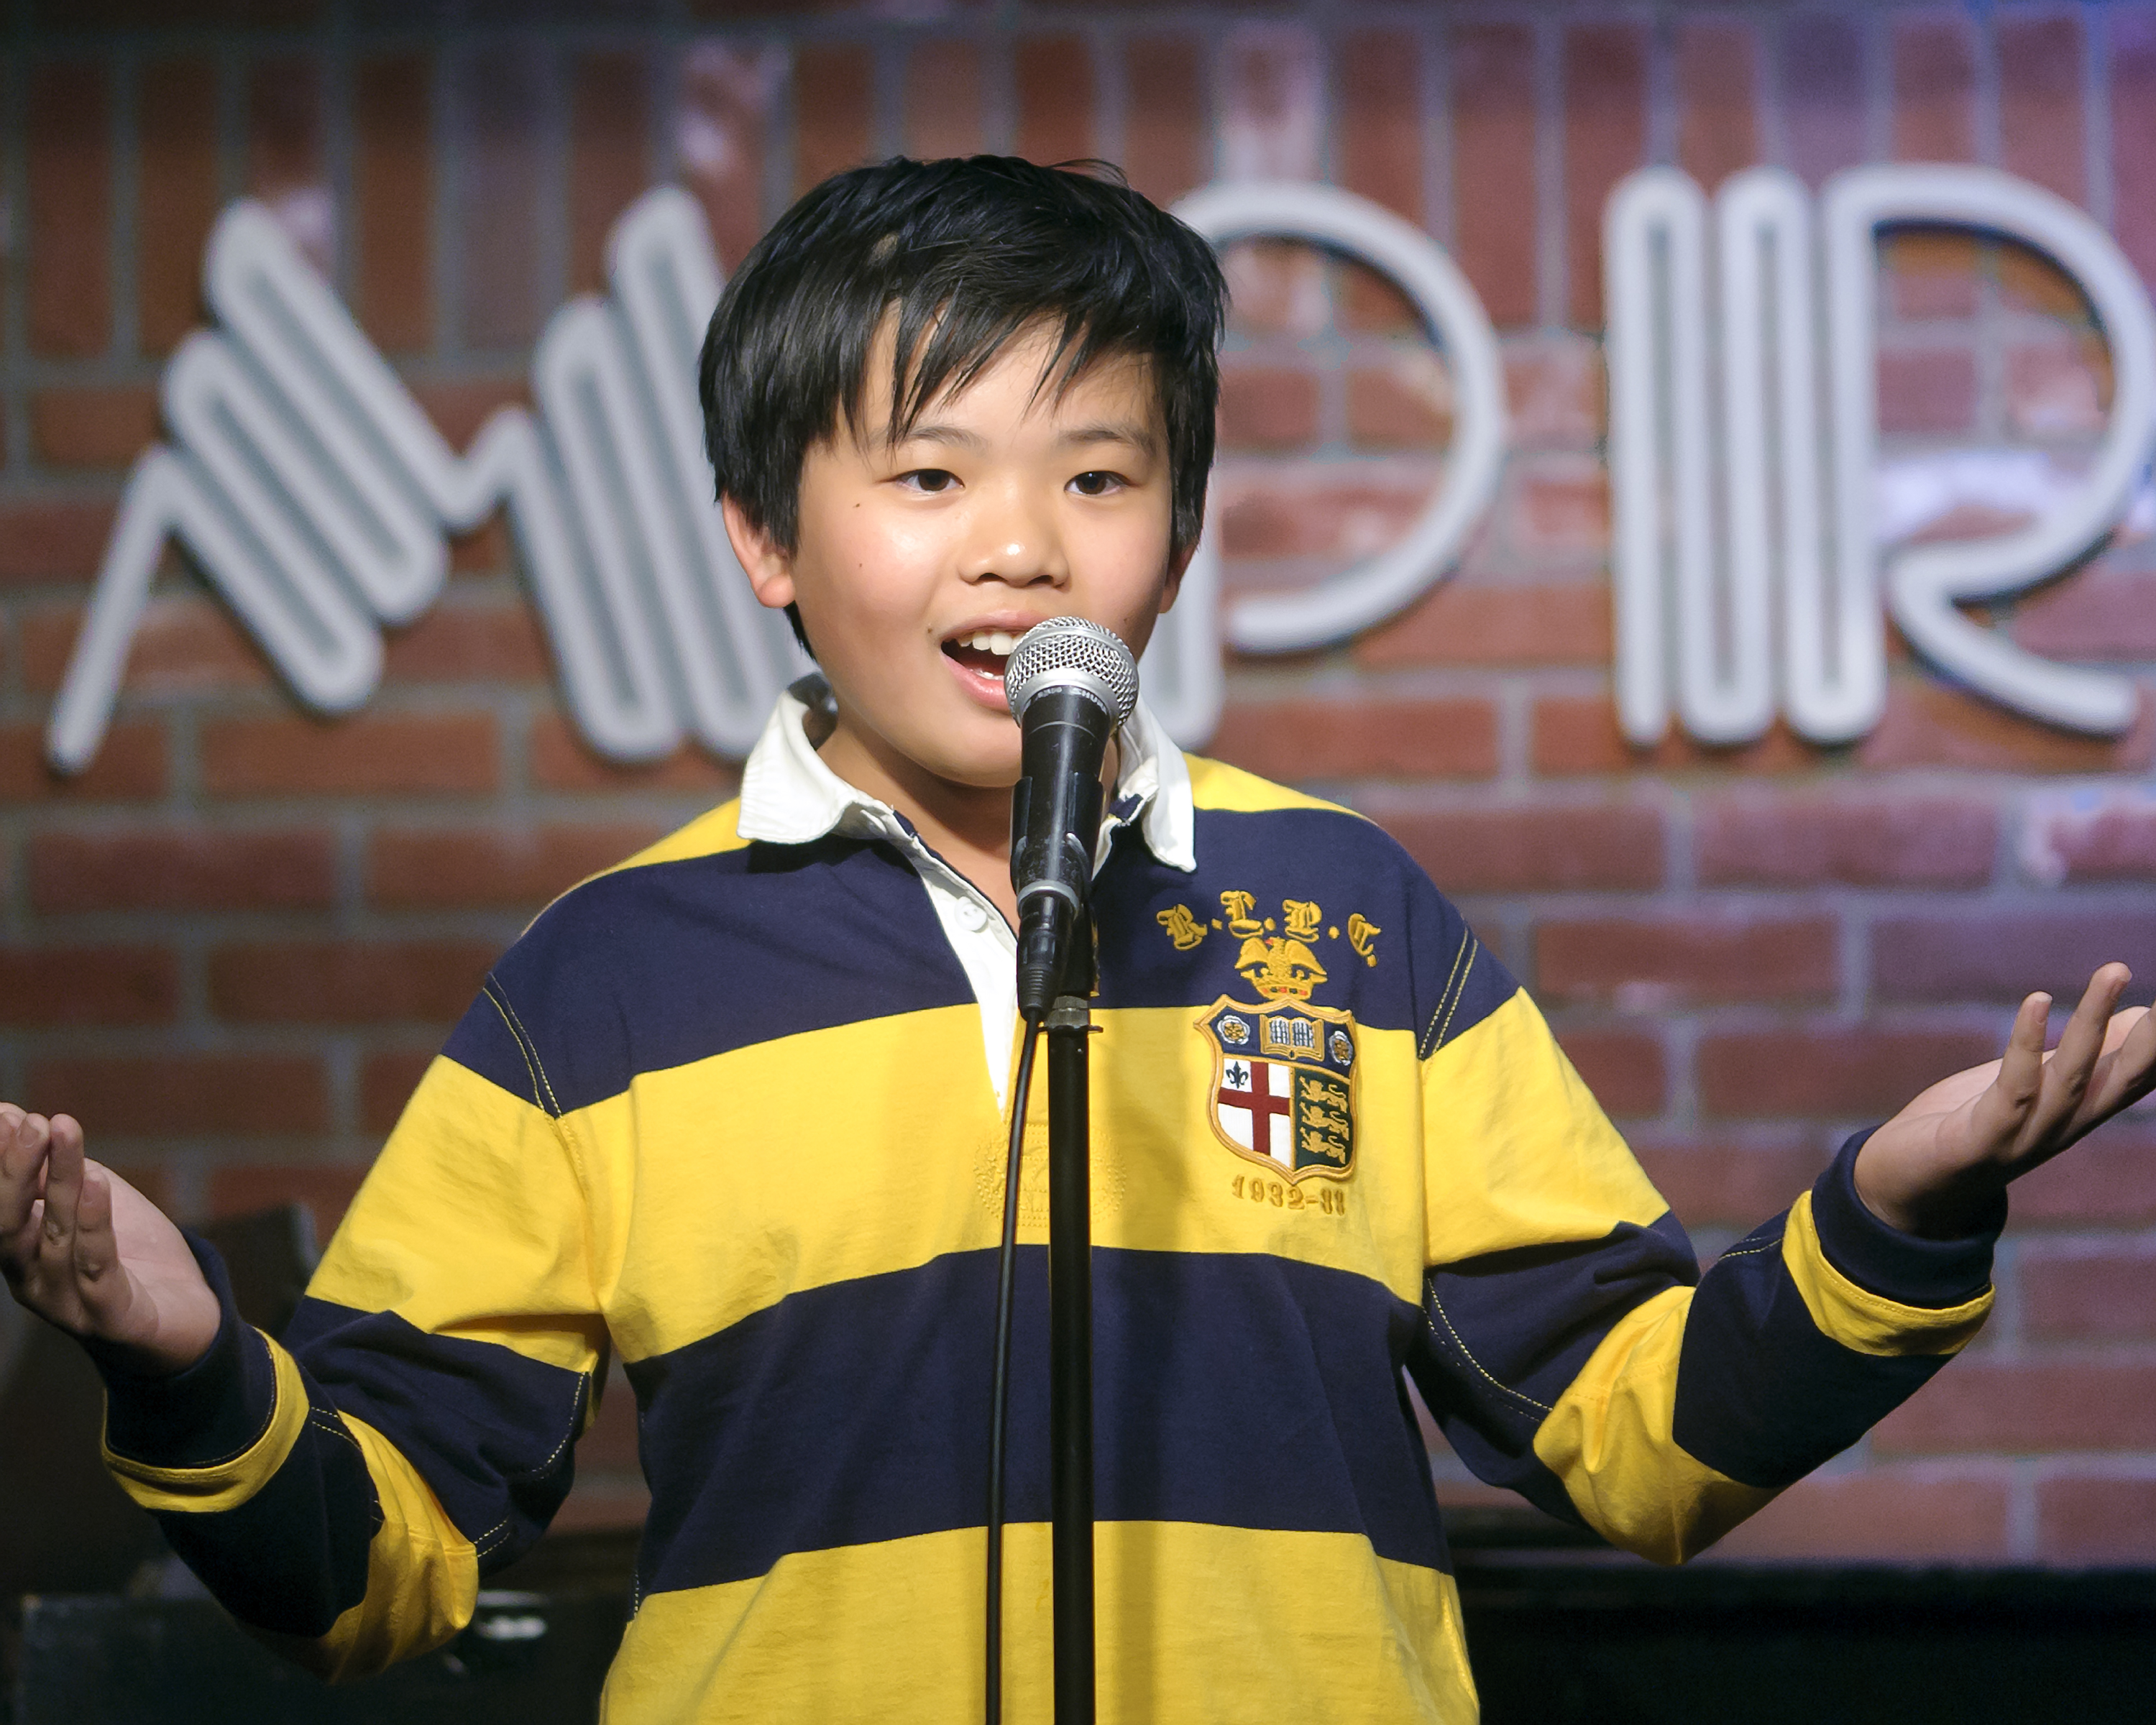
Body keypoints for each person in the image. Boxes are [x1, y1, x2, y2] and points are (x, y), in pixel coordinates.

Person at [2, 156, 2152, 1724]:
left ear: (1186, 532)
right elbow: (373, 1574)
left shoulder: (1348, 921)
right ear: (763, 533)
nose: (1024, 548)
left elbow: (1630, 1435)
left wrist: (1898, 1209)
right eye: (927, 476)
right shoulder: (609, 981)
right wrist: (181, 1355)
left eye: (1101, 480)